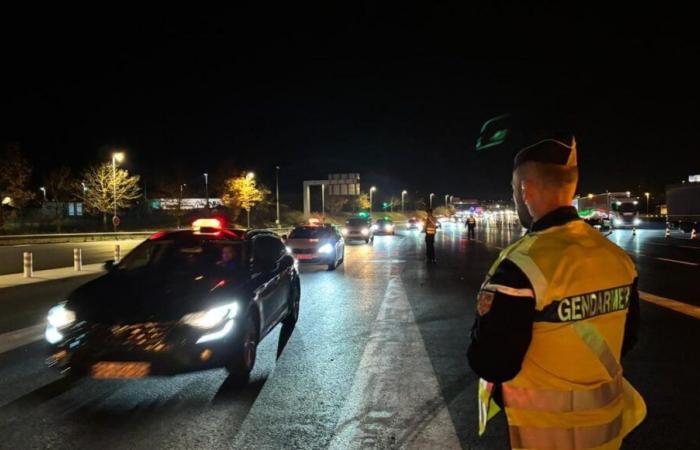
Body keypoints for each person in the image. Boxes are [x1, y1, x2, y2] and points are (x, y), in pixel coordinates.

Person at [467, 138, 646, 449]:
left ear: (525, 189)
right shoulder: (617, 259)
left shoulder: (521, 266)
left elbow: (493, 362)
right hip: (607, 432)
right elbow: (626, 339)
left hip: (545, 435)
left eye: (513, 191)